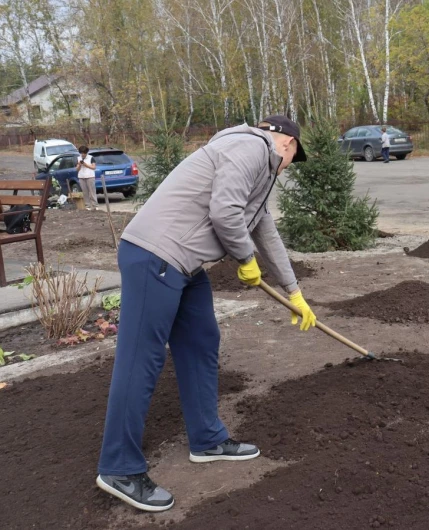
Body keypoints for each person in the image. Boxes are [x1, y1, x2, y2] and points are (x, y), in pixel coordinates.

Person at [95, 115, 316, 512]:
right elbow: (224, 211)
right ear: (287, 143)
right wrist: (245, 258)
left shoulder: (256, 166)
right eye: (293, 157)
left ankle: (208, 438)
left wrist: (294, 292)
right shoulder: (251, 147)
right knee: (140, 358)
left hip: (185, 264)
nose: (288, 166)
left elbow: (263, 228)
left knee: (201, 342)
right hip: (155, 256)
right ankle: (118, 467)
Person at [76, 145, 97, 210]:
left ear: (86, 152)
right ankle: (87, 206)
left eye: (84, 153)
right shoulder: (78, 158)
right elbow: (77, 169)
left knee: (92, 192)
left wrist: (86, 165)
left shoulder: (91, 158)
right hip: (81, 177)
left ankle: (95, 205)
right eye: (81, 153)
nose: (82, 154)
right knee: (85, 192)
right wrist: (79, 164)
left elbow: (94, 167)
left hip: (90, 176)